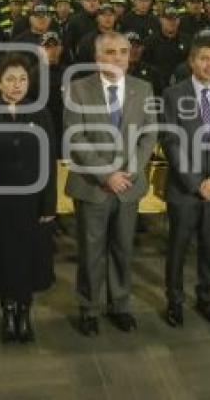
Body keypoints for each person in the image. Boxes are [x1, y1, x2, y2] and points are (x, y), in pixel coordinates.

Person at [63, 31, 158, 337]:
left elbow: (149, 135)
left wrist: (130, 171)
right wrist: (107, 175)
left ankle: (120, 305)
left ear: (130, 56)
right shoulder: (78, 89)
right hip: (93, 186)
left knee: (122, 249)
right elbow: (75, 138)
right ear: (97, 57)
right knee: (91, 252)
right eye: (110, 52)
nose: (117, 58)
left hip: (129, 185)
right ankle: (89, 308)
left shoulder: (143, 89)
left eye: (122, 52)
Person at [0, 54, 58, 343]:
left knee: (29, 260)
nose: (17, 85)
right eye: (10, 79)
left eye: (22, 79)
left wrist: (49, 205)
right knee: (3, 260)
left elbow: (49, 163)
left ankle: (25, 312)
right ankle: (7, 314)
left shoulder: (41, 114)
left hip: (33, 203)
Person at [161, 34, 210, 327]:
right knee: (178, 249)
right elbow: (172, 142)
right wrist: (197, 183)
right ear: (192, 61)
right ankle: (175, 301)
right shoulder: (173, 94)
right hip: (185, 189)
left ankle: (206, 298)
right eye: (204, 58)